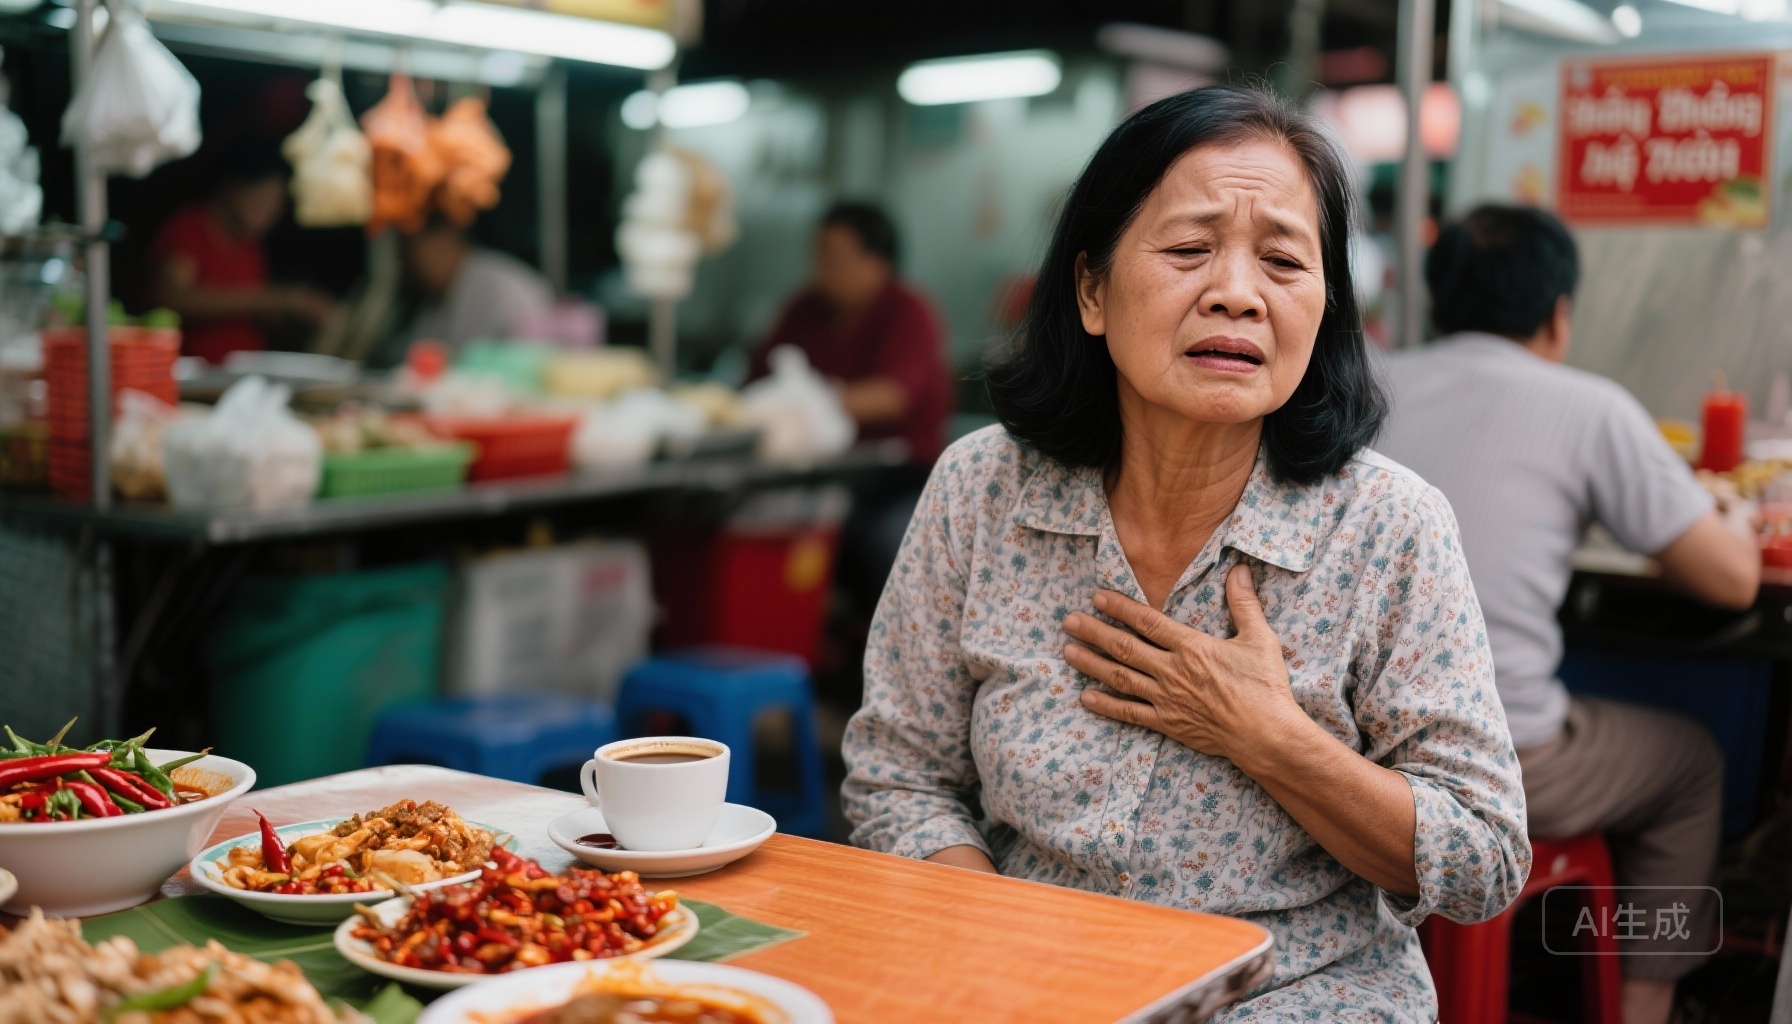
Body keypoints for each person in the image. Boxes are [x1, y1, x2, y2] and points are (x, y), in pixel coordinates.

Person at [841, 87, 1528, 1020]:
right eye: (1189, 249)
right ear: (1091, 289)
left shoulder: (1388, 527)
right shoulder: (983, 490)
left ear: (1324, 308)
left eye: (1283, 260)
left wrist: (1269, 737)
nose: (1238, 293)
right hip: (1016, 974)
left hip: (1291, 994)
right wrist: (993, 935)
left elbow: (1484, 857)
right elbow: (900, 774)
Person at [1377, 205, 1757, 1024]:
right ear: (1558, 313)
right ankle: (1646, 1007)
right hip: (1492, 763)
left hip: (1348, 748)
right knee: (1692, 763)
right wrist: (1727, 516)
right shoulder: (1590, 406)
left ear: (1441, 302)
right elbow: (1731, 583)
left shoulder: (1367, 386)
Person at [751, 203, 952, 608]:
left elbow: (892, 397)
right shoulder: (805, 309)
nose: (823, 268)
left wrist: (808, 401)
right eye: (819, 255)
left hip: (900, 480)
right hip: (816, 477)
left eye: (836, 257)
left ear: (877, 262)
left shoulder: (908, 311)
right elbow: (758, 384)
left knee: (886, 546)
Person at [149, 141, 337, 364]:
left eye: (276, 203)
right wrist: (283, 299)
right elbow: (172, 298)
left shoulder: (252, 247)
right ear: (231, 184)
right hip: (194, 375)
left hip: (243, 375)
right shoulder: (190, 228)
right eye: (261, 197)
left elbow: (258, 315)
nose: (267, 210)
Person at [400, 218, 555, 354]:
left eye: (411, 250)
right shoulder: (436, 297)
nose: (408, 262)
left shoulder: (498, 286)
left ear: (445, 240)